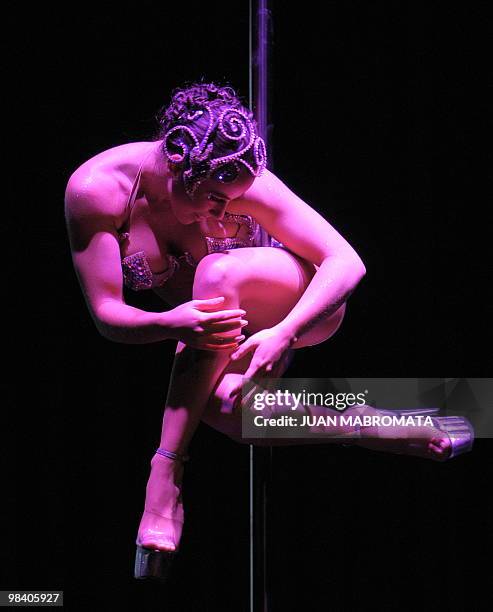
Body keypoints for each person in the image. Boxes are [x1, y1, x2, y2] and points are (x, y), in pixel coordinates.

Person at [64, 81, 473, 581]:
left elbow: (346, 263)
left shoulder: (243, 180)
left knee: (216, 273)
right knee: (227, 407)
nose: (220, 213)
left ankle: (165, 471)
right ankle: (377, 425)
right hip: (218, 328)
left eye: (228, 202)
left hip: (300, 305)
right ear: (176, 161)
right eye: (214, 198)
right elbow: (108, 316)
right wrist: (170, 323)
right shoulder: (97, 191)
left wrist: (283, 333)